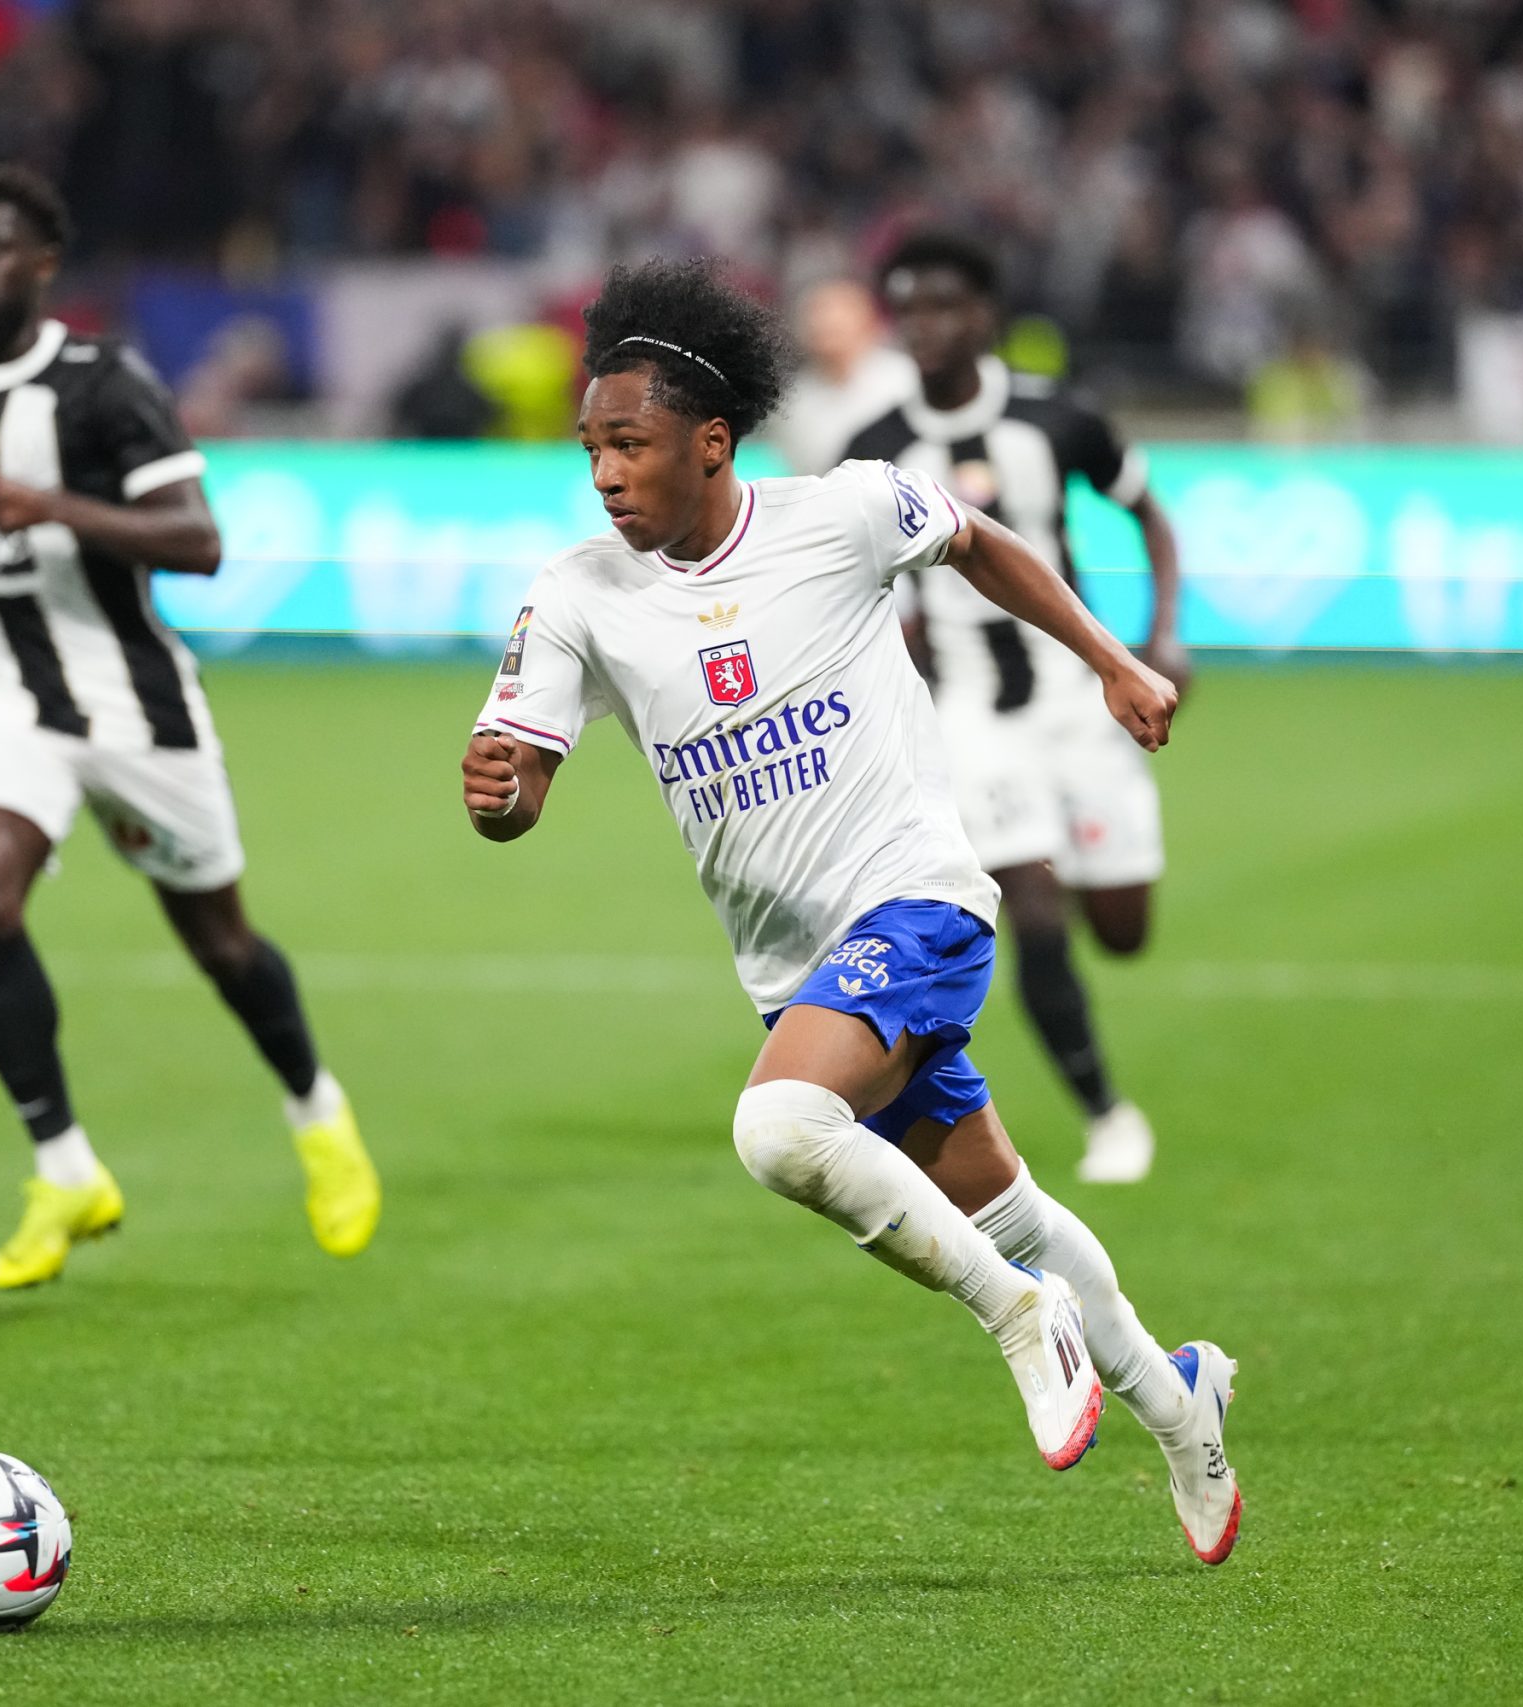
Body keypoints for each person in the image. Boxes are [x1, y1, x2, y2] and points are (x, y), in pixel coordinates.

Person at [460, 259, 1238, 1564]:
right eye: (591, 445)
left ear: (710, 442)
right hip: (792, 960)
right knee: (1010, 1203)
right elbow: (516, 782)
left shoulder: (846, 512)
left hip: (919, 896)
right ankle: (1182, 1406)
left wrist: (1112, 659)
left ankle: (1015, 1318)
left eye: (629, 443)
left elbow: (985, 542)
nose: (602, 470)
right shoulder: (578, 594)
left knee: (777, 1124)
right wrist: (497, 793)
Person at [0, 164, 378, 1291]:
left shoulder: (105, 386)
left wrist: (52, 506)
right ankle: (64, 1167)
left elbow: (197, 540)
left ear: (42, 263)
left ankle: (317, 1109)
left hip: (138, 705)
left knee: (222, 944)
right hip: (10, 697)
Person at [844, 232, 1189, 1185]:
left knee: (1120, 930)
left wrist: (1162, 639)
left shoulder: (1057, 415)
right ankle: (1108, 1116)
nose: (925, 327)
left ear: (986, 316)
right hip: (969, 719)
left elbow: (1150, 514)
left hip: (1082, 705)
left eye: (944, 307)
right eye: (908, 309)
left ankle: (1068, 848)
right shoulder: (874, 450)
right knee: (1029, 908)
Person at [761, 275, 916, 476]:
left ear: (867, 322)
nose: (824, 324)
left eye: (836, 320)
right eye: (816, 317)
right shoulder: (793, 400)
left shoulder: (905, 379)